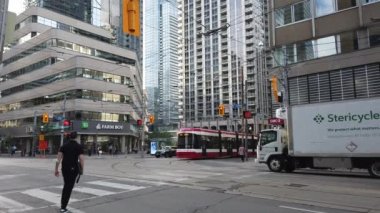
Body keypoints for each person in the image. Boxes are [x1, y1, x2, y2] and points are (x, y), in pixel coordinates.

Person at [54, 132, 84, 213]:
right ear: (76, 137)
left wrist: (56, 169)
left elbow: (58, 160)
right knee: (68, 187)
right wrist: (82, 169)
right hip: (74, 169)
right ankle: (63, 207)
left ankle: (63, 206)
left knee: (67, 185)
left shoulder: (63, 146)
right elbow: (81, 159)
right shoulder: (78, 146)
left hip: (65, 169)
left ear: (69, 137)